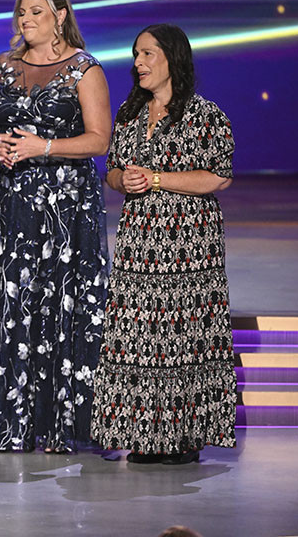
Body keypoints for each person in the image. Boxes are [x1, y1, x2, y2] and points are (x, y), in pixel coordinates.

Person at [0, 0, 111, 453]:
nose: (25, 20)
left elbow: (99, 139)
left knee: (59, 301)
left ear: (60, 16)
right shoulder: (1, 66)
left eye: (35, 12)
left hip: (65, 205)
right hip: (10, 201)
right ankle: (11, 422)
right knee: (13, 301)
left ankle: (59, 424)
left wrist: (43, 147)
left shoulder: (84, 69)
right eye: (21, 13)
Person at [90, 24, 236, 464]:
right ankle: (145, 436)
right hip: (139, 244)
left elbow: (218, 176)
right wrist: (124, 179)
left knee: (183, 338)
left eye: (148, 54)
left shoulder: (204, 114)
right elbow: (111, 171)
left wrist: (156, 179)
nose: (138, 62)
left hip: (188, 245)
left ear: (172, 57)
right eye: (136, 54)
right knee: (139, 338)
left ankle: (184, 438)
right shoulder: (130, 113)